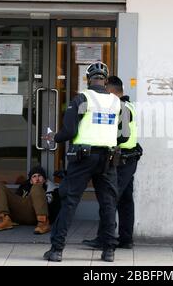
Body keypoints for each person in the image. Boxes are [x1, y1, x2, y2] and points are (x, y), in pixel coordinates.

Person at [42, 61, 128, 262]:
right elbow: (124, 136)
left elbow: (70, 131)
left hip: (83, 158)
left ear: (88, 79)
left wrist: (53, 137)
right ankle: (108, 251)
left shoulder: (82, 99)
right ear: (106, 80)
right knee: (108, 204)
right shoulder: (118, 103)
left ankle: (56, 250)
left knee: (69, 202)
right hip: (107, 158)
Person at [82, 76, 142, 250]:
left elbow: (120, 134)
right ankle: (126, 239)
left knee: (110, 199)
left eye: (105, 90)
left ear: (111, 90)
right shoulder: (129, 105)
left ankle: (104, 239)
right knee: (125, 200)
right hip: (129, 158)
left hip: (122, 159)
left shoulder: (121, 108)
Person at [0, 166, 56, 234]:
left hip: (35, 215)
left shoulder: (51, 189)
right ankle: (4, 219)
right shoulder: (24, 186)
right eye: (34, 176)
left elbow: (54, 209)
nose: (37, 179)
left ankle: (43, 223)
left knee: (37, 187)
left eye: (39, 176)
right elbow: (16, 199)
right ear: (31, 181)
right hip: (19, 213)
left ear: (44, 179)